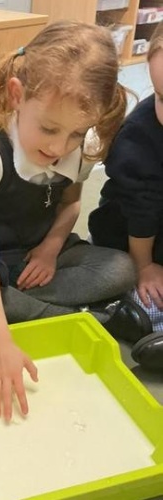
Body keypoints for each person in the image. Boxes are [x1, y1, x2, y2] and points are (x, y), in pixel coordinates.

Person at [0, 21, 151, 422]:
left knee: (121, 267)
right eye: (49, 129)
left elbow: (71, 205)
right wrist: (0, 343)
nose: (59, 147)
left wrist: (51, 249)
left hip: (37, 250)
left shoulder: (79, 149)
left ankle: (5, 309)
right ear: (16, 96)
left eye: (76, 133)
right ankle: (89, 319)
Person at [89, 22, 163, 371]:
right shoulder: (139, 136)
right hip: (135, 236)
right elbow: (142, 212)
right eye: (162, 97)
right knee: (141, 287)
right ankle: (132, 316)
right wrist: (144, 266)